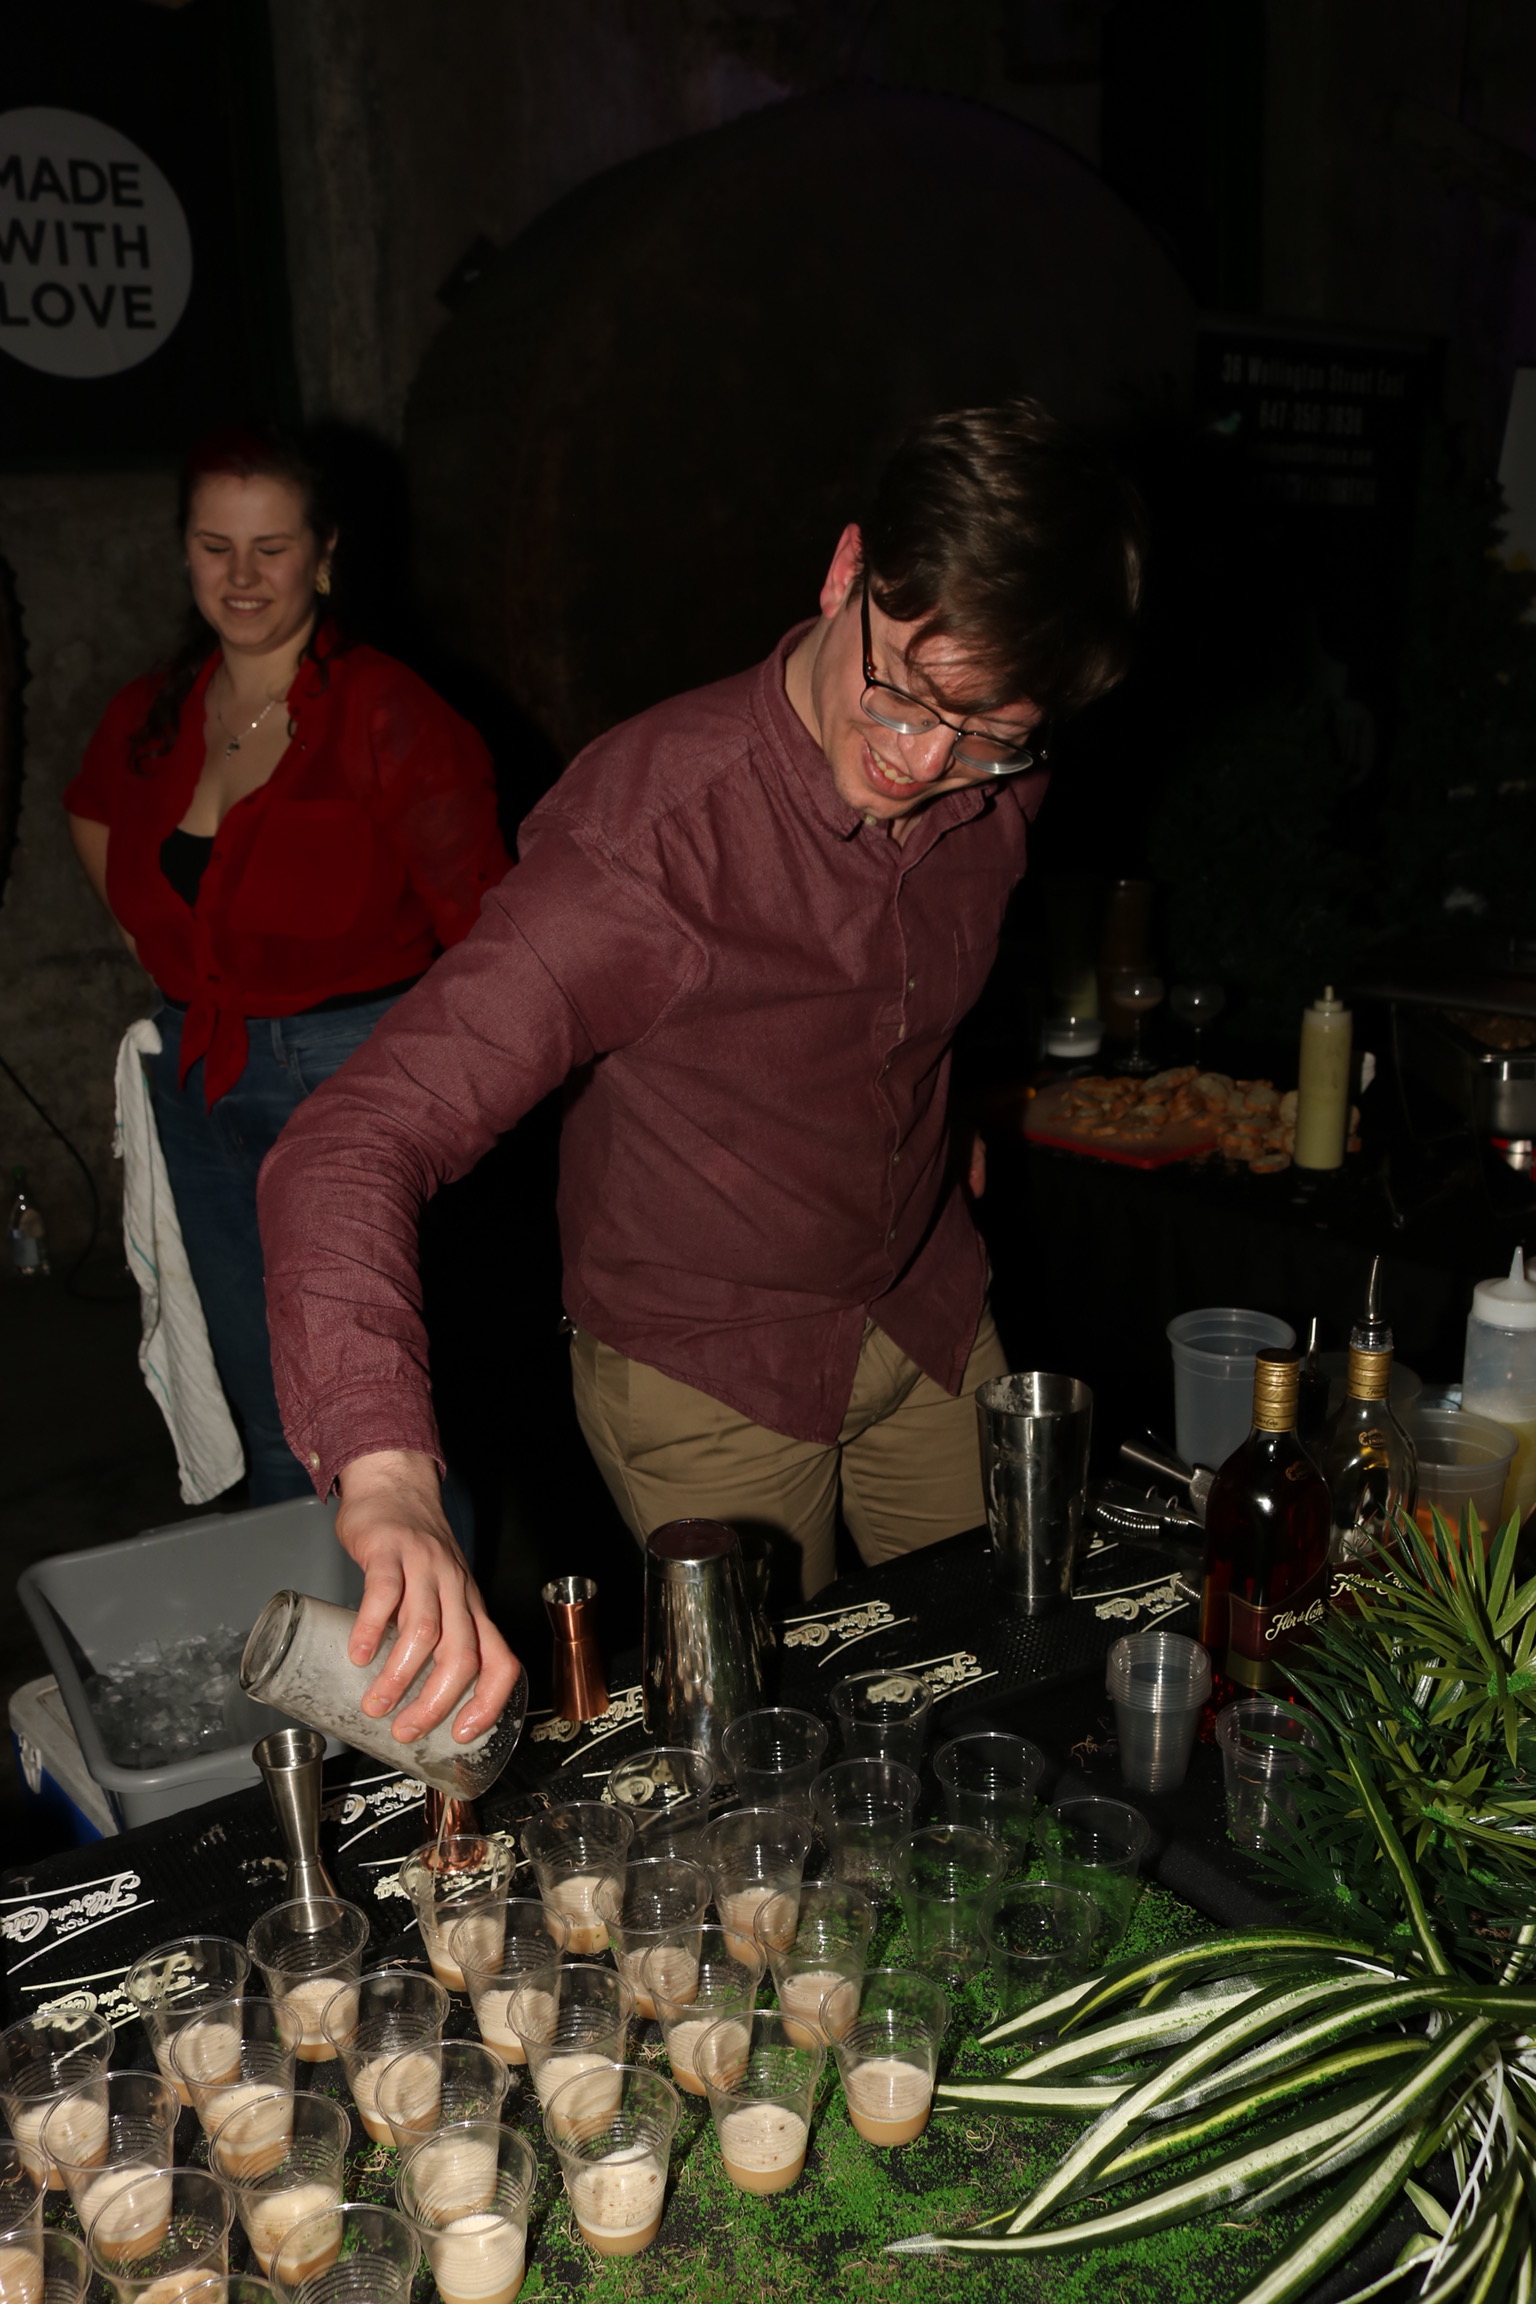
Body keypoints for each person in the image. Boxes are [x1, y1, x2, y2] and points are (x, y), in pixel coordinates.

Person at [257, 397, 1144, 1745]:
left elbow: (910, 969)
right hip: (709, 1367)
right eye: (902, 693)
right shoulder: (646, 851)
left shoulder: (999, 777)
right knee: (785, 1751)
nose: (922, 765)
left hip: (926, 1310)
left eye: (984, 731)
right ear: (848, 573)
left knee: (1014, 1679)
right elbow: (350, 1143)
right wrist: (385, 1479)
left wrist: (929, 1101)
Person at [64, 424, 513, 1736]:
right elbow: (96, 818)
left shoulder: (388, 712)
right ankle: (323, 1695)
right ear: (184, 554)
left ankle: (444, 1703)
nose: (243, 575)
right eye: (216, 546)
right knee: (270, 1413)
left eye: (272, 546)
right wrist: (184, 962)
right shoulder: (155, 712)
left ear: (325, 555)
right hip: (203, 1079)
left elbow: (492, 925)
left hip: (359, 1073)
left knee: (389, 1417)